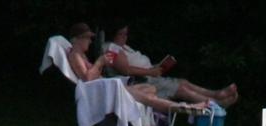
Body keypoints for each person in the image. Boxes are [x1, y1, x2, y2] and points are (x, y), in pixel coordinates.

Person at [64, 22, 207, 115]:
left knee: (150, 90)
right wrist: (100, 62)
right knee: (148, 98)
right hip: (104, 92)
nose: (90, 40)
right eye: (87, 38)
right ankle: (185, 108)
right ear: (77, 39)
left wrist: (101, 64)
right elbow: (87, 79)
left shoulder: (81, 55)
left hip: (107, 87)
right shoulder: (75, 55)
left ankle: (181, 107)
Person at [103, 22, 238, 109]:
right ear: (113, 34)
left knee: (183, 82)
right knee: (181, 89)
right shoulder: (111, 48)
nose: (125, 37)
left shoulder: (123, 47)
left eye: (126, 33)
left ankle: (215, 94)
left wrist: (157, 68)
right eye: (122, 34)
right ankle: (215, 104)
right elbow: (124, 70)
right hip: (140, 82)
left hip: (150, 76)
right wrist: (150, 72)